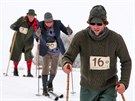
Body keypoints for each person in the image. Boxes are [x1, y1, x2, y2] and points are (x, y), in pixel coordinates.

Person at [62, 5, 132, 101]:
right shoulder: (80, 37)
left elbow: (126, 61)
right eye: (92, 23)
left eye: (99, 24)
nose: (95, 27)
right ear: (89, 22)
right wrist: (66, 63)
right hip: (87, 88)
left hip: (109, 87)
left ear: (105, 23)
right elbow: (68, 56)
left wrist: (124, 82)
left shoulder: (116, 39)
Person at [35, 12, 72, 96]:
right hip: (46, 50)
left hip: (56, 50)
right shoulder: (40, 24)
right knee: (45, 68)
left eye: (50, 22)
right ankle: (44, 88)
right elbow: (35, 35)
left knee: (54, 69)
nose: (49, 24)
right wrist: (37, 34)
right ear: (44, 22)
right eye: (47, 22)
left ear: (52, 20)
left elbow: (67, 32)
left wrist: (69, 31)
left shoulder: (58, 23)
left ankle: (50, 82)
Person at [10, 9, 38, 77]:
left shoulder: (36, 23)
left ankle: (29, 72)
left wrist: (38, 37)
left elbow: (37, 33)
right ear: (27, 15)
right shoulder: (22, 20)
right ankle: (15, 70)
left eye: (32, 16)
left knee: (29, 56)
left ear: (34, 16)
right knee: (16, 55)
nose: (31, 17)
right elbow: (12, 26)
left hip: (28, 42)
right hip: (18, 40)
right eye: (30, 15)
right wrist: (16, 28)